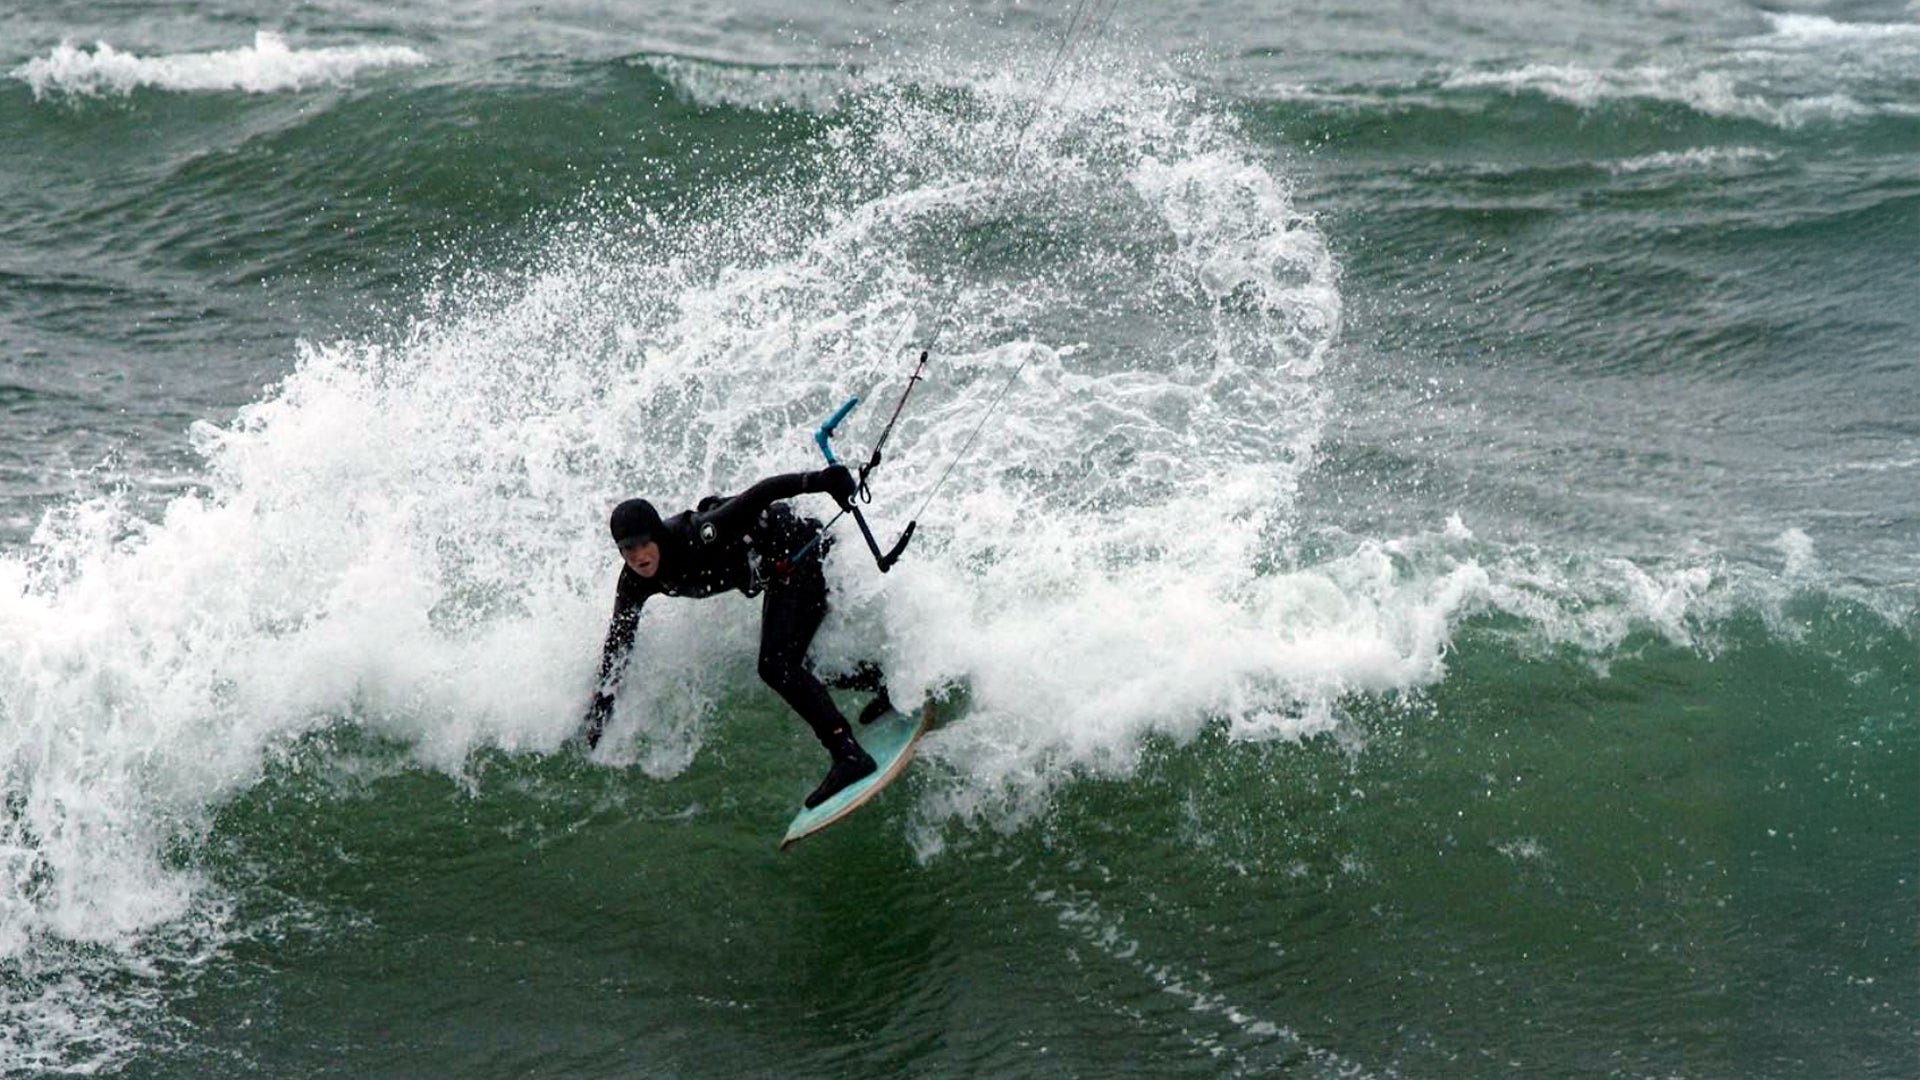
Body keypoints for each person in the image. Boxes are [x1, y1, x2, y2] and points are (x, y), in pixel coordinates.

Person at [582, 463, 893, 809]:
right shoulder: (634, 582)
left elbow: (760, 494)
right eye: (628, 548)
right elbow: (619, 641)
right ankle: (883, 683)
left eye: (643, 544)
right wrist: (601, 708)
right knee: (796, 666)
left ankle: (848, 754)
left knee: (777, 665)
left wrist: (821, 480)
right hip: (781, 567)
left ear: (657, 535)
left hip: (801, 546)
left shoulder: (698, 534)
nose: (638, 556)